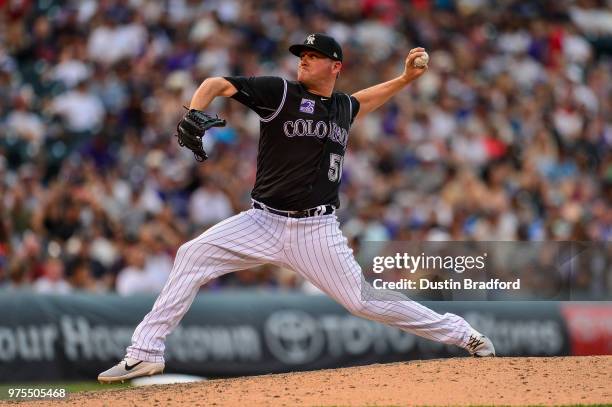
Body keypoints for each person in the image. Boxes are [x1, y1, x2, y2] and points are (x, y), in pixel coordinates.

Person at [98, 33, 495, 383]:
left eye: (312, 54)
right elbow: (216, 83)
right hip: (262, 220)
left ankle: (463, 334)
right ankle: (145, 353)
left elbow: (363, 101)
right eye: (301, 54)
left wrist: (406, 79)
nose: (303, 59)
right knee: (191, 254)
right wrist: (192, 112)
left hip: (315, 231)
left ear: (335, 65)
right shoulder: (280, 92)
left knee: (362, 301)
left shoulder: (342, 107)